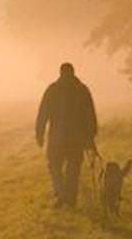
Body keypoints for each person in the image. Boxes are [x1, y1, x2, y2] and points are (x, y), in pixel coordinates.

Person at [34, 62, 97, 208]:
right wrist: (90, 137)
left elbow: (43, 113)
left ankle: (60, 193)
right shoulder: (82, 90)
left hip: (57, 138)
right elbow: (90, 116)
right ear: (73, 72)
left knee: (54, 167)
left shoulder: (52, 90)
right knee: (73, 169)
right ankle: (70, 198)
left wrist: (40, 133)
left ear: (60, 73)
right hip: (77, 139)